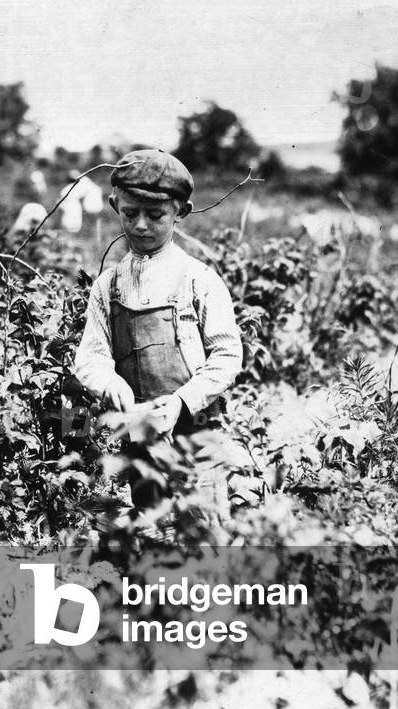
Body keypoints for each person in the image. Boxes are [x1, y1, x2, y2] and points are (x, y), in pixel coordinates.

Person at [73, 149, 253, 510]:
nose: (141, 225)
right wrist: (111, 384)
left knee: (204, 532)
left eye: (155, 215)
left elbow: (228, 354)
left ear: (180, 213)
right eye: (130, 213)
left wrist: (182, 402)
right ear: (114, 206)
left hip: (196, 429)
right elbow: (90, 358)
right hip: (141, 436)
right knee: (151, 526)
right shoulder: (108, 286)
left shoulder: (197, 279)